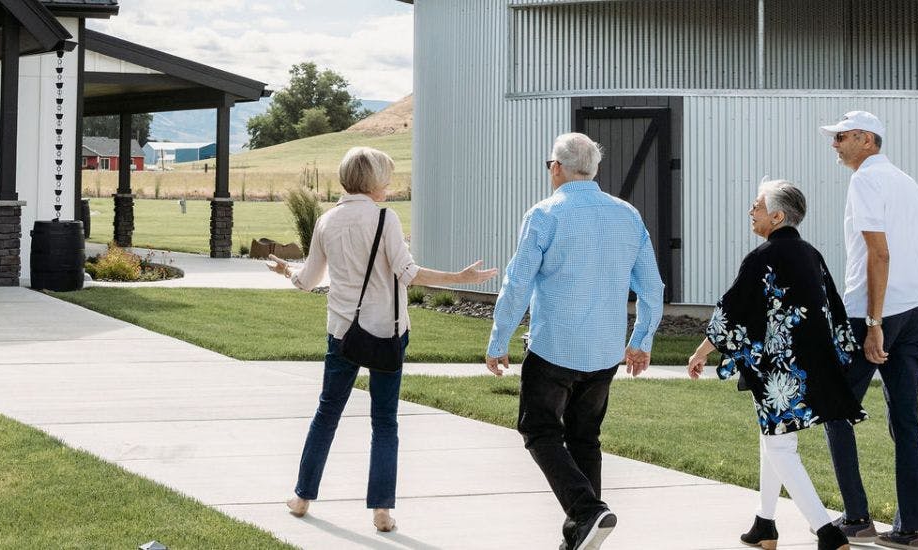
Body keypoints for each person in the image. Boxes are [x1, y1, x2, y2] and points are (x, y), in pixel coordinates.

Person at [266, 146, 497, 533]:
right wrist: (460, 278)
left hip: (342, 334)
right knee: (384, 421)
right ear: (373, 182)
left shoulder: (326, 221)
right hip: (388, 333)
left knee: (327, 414)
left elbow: (307, 281)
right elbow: (408, 273)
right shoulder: (386, 220)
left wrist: (285, 269)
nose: (389, 185)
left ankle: (303, 497)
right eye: (386, 177)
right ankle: (381, 511)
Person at [483, 133, 663, 550]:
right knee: (585, 439)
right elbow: (652, 286)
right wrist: (641, 339)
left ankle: (586, 512)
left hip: (554, 348)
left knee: (539, 430)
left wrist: (499, 339)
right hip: (604, 352)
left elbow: (518, 282)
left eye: (550, 163)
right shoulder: (628, 215)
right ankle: (580, 535)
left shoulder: (546, 214)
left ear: (557, 167)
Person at [688, 179, 865, 550]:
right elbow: (833, 310)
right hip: (811, 364)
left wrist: (703, 351)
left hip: (778, 371)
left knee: (780, 446)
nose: (751, 211)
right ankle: (764, 523)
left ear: (777, 215)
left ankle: (826, 532)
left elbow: (732, 311)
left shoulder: (761, 258)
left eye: (757, 205)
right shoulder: (811, 254)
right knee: (774, 439)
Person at [817, 111, 918, 549]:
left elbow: (879, 254)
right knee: (906, 421)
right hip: (915, 307)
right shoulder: (906, 181)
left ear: (866, 139)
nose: (835, 145)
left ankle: (856, 517)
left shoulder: (865, 180)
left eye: (841, 137)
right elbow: (912, 250)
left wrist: (873, 323)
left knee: (834, 407)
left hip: (874, 313)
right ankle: (913, 528)